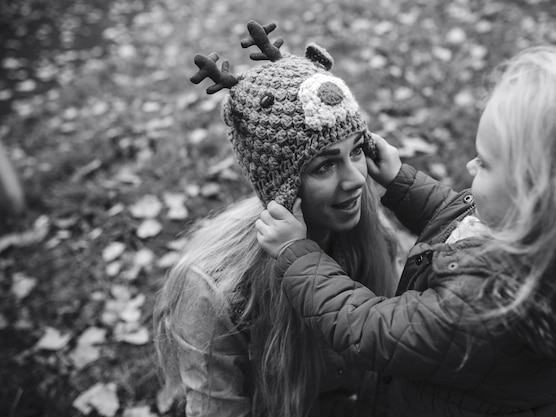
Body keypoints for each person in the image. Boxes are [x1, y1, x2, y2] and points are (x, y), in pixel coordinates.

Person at [255, 45, 556, 416]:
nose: (468, 164)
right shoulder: (542, 238)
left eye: (485, 162)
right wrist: (401, 182)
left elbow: (370, 330)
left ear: (535, 198)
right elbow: (459, 223)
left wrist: (297, 253)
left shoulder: (489, 307)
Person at [153, 21, 398, 417]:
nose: (357, 180)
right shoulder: (215, 290)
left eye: (356, 151)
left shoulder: (373, 236)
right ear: (280, 187)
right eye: (324, 166)